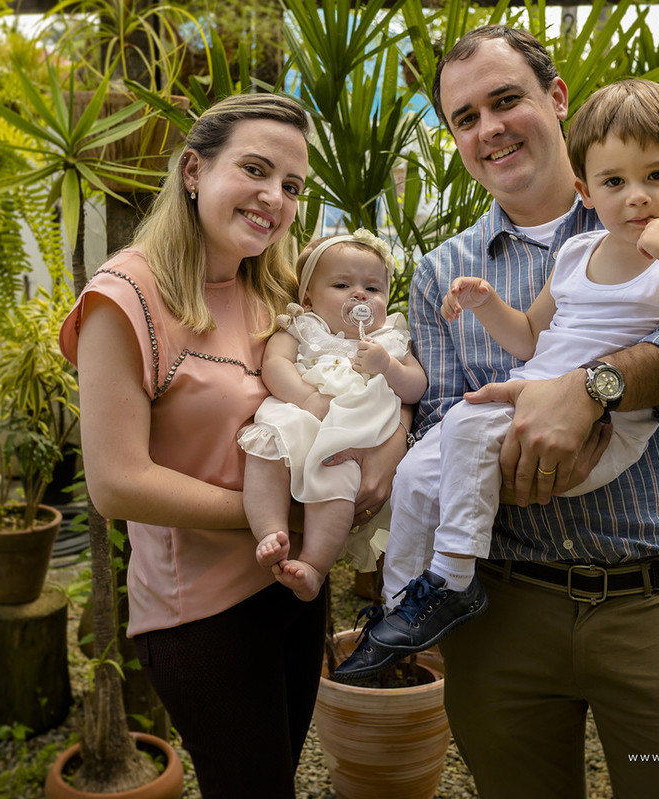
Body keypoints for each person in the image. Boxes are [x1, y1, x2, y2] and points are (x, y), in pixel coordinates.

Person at [348, 26, 659, 799]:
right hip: (503, 606)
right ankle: (421, 595)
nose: (489, 128)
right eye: (464, 117)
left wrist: (594, 387)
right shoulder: (446, 270)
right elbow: (443, 421)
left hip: (655, 597)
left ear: (556, 98)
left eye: (505, 100)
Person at [58, 93, 407, 799]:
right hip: (202, 614)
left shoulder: (277, 289)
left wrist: (389, 450)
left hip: (293, 589)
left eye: (292, 185)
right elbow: (117, 483)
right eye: (255, 169)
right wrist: (280, 519)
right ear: (193, 170)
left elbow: (368, 382)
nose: (274, 197)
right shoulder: (125, 297)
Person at [335, 78, 659, 675]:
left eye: (657, 177)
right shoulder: (576, 256)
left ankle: (454, 577)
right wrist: (487, 302)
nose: (638, 198)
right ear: (586, 189)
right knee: (415, 473)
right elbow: (529, 338)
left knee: (466, 430)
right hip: (522, 406)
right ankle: (402, 608)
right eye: (615, 182)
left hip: (610, 430)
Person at [237, 229, 427, 602]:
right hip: (301, 415)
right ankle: (271, 532)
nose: (360, 294)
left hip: (352, 435)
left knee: (338, 477)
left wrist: (387, 366)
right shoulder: (302, 327)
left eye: (373, 289)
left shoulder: (390, 339)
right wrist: (306, 398)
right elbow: (274, 365)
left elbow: (415, 388)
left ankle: (314, 565)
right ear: (308, 297)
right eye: (342, 284)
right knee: (268, 448)